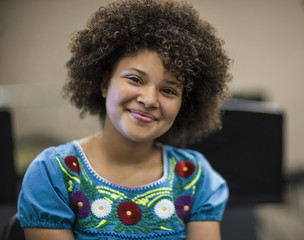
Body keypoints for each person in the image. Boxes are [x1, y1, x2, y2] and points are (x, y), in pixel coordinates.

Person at [17, 0, 232, 239]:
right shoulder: (52, 173)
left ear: (185, 104)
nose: (149, 99)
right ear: (103, 83)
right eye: (135, 79)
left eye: (169, 90)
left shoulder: (195, 177)